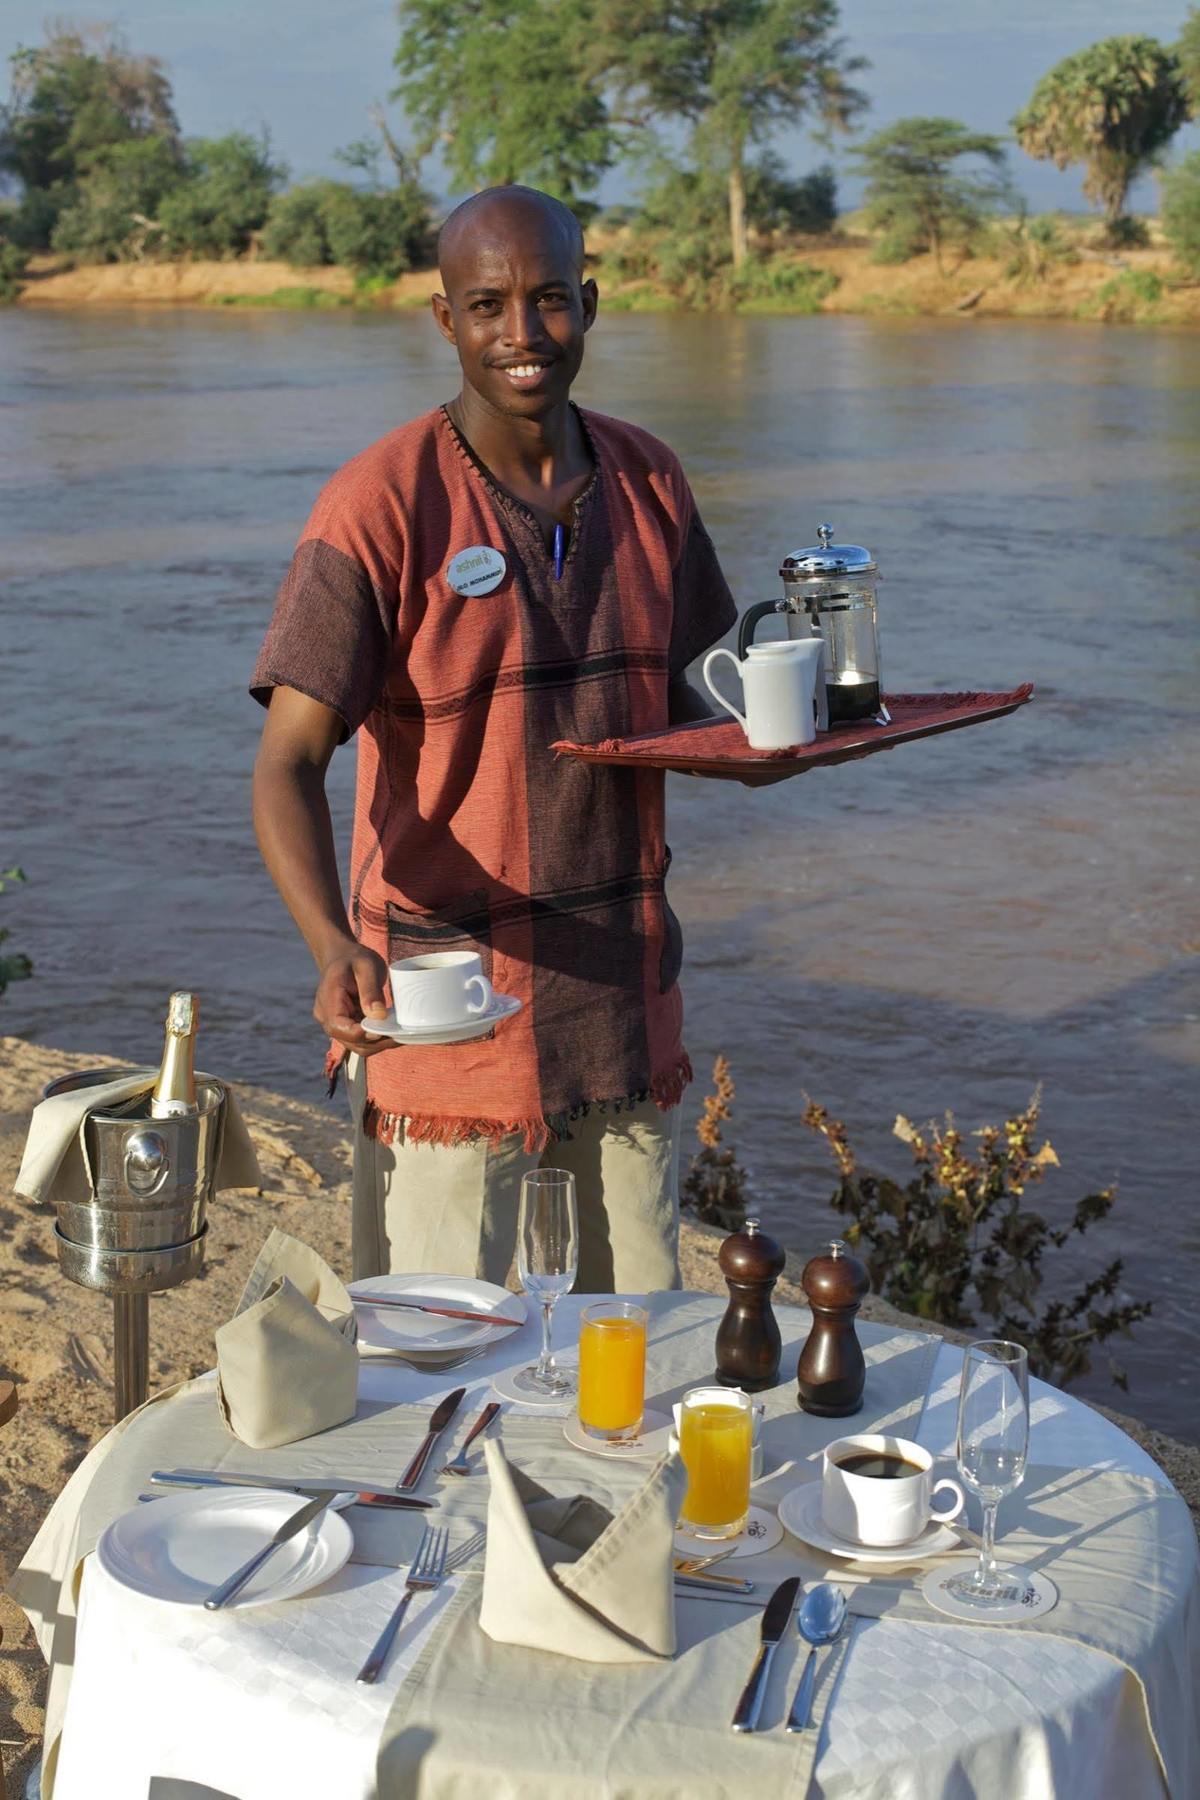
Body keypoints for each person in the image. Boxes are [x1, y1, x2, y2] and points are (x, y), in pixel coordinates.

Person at [250, 183, 745, 1293]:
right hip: (441, 1007)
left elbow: (702, 704)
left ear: (593, 304)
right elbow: (287, 763)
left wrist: (804, 730)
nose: (523, 335)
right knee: (437, 1357)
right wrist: (333, 946)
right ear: (443, 319)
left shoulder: (652, 479)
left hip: (621, 997)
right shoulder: (377, 505)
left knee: (630, 1351)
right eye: (488, 306)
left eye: (551, 300)